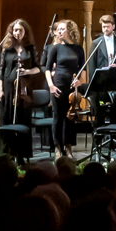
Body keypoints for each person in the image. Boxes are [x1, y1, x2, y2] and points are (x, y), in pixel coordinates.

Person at [0, 18, 43, 159]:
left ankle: (22, 156)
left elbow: (38, 69)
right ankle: (7, 154)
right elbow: (1, 71)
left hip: (24, 91)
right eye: (15, 30)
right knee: (7, 119)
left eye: (20, 30)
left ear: (25, 32)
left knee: (23, 120)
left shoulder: (30, 49)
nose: (17, 32)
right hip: (8, 90)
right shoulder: (7, 50)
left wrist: (27, 72)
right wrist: (0, 89)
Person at [44, 19, 85, 160]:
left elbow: (83, 69)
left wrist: (80, 81)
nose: (59, 31)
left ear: (70, 30)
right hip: (58, 86)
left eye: (62, 29)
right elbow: (47, 69)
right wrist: (51, 85)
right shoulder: (55, 47)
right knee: (57, 117)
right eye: (58, 29)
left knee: (70, 118)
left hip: (72, 88)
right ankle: (57, 147)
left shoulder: (79, 49)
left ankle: (68, 147)